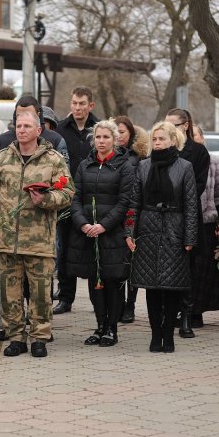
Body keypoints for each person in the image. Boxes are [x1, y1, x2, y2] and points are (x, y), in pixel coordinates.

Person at [0, 112, 74, 358]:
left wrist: (46, 199)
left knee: (41, 293)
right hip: (7, 239)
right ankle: (16, 337)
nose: (22, 130)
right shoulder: (2, 159)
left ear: (38, 131)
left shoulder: (53, 160)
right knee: (9, 293)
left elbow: (67, 192)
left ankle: (39, 337)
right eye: (18, 126)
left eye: (27, 126)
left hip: (39, 240)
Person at [125, 121, 198, 353]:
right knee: (152, 286)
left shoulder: (185, 167)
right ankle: (156, 335)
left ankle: (169, 336)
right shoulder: (144, 166)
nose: (157, 143)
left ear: (173, 141)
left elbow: (191, 205)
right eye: (154, 139)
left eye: (162, 139)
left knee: (172, 286)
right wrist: (130, 231)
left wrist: (190, 237)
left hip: (174, 230)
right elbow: (134, 203)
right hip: (148, 229)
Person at [67, 119, 134, 347]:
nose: (101, 141)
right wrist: (83, 224)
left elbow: (125, 201)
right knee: (94, 282)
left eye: (106, 137)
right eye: (98, 137)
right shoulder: (85, 166)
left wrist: (104, 225)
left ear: (114, 139)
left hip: (111, 234)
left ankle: (111, 330)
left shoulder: (124, 166)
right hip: (88, 234)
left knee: (112, 281)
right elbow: (75, 198)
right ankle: (99, 326)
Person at [54, 86, 100, 315]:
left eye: (82, 103)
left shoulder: (99, 129)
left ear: (90, 105)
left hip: (95, 199)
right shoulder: (61, 130)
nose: (78, 107)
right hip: (66, 199)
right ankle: (65, 297)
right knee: (64, 250)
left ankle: (98, 299)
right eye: (74, 103)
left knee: (94, 248)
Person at [164, 109, 210, 335]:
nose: (167, 129)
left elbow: (198, 186)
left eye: (172, 124)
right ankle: (168, 313)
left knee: (189, 266)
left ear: (185, 125)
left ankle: (188, 316)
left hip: (187, 214)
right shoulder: (164, 149)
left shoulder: (198, 152)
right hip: (163, 216)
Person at [189, 153, 219, 332]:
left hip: (206, 222)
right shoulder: (180, 161)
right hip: (184, 221)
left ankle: (197, 311)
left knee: (202, 269)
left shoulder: (213, 161)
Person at [114, 115, 149, 323]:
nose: (118, 136)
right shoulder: (108, 155)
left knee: (131, 262)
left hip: (131, 214)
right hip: (112, 214)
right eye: (116, 132)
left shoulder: (138, 159)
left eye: (123, 132)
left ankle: (131, 304)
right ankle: (116, 303)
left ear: (131, 135)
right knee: (116, 262)